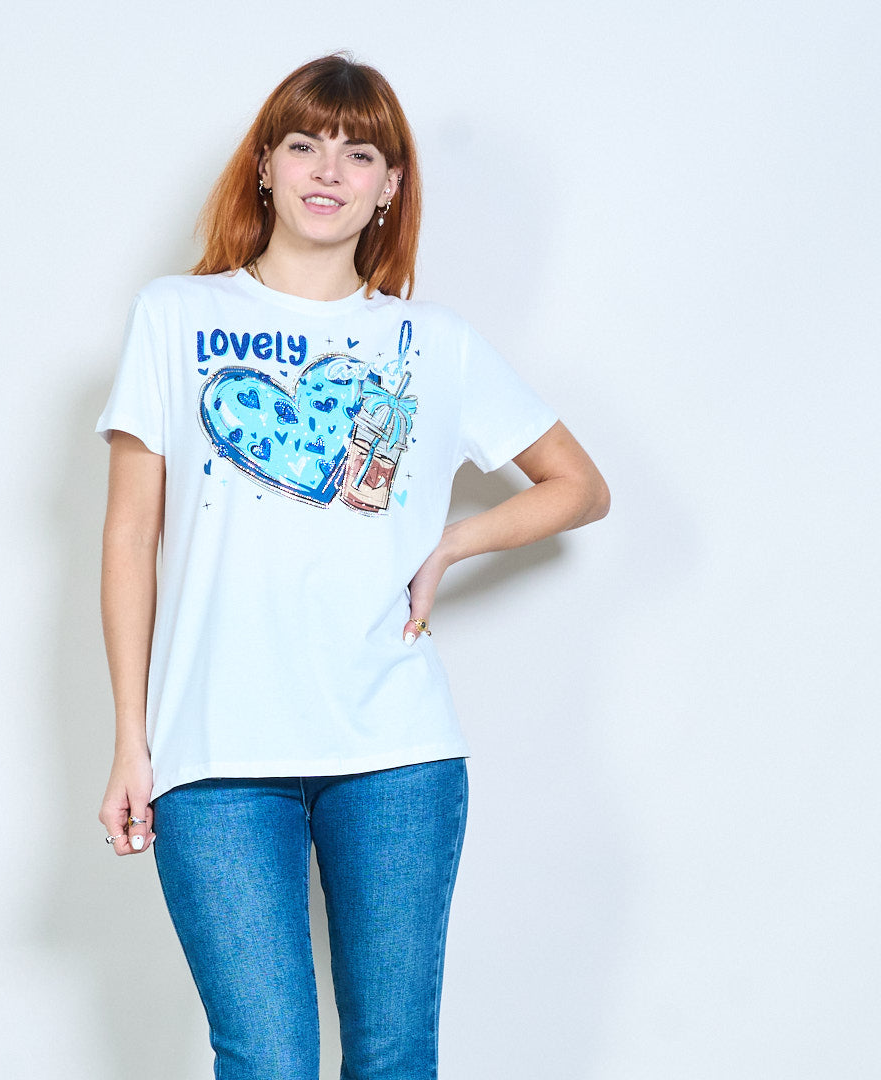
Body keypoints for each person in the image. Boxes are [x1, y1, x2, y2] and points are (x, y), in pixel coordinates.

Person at [95, 53, 609, 1080]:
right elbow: (128, 537)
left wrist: (451, 543)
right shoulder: (175, 317)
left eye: (360, 153)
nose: (329, 170)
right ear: (265, 167)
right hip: (216, 757)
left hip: (397, 755)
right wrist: (129, 742)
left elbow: (579, 486)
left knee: (393, 1057)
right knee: (268, 1059)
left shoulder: (432, 343)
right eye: (305, 144)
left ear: (390, 185)